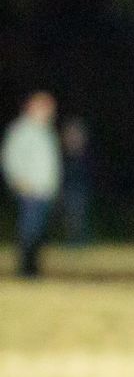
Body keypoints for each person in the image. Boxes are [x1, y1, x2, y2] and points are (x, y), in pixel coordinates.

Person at [3, 90, 61, 279]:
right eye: (45, 106)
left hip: (44, 191)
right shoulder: (22, 130)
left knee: (39, 232)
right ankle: (26, 271)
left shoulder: (45, 131)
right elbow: (10, 157)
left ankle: (33, 270)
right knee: (29, 230)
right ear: (32, 107)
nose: (50, 111)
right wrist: (18, 180)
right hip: (29, 190)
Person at [59, 118, 92, 245]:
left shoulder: (85, 155)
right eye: (70, 133)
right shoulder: (62, 154)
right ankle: (72, 241)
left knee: (79, 216)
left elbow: (88, 174)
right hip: (65, 189)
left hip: (80, 190)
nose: (73, 136)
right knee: (68, 218)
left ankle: (80, 241)